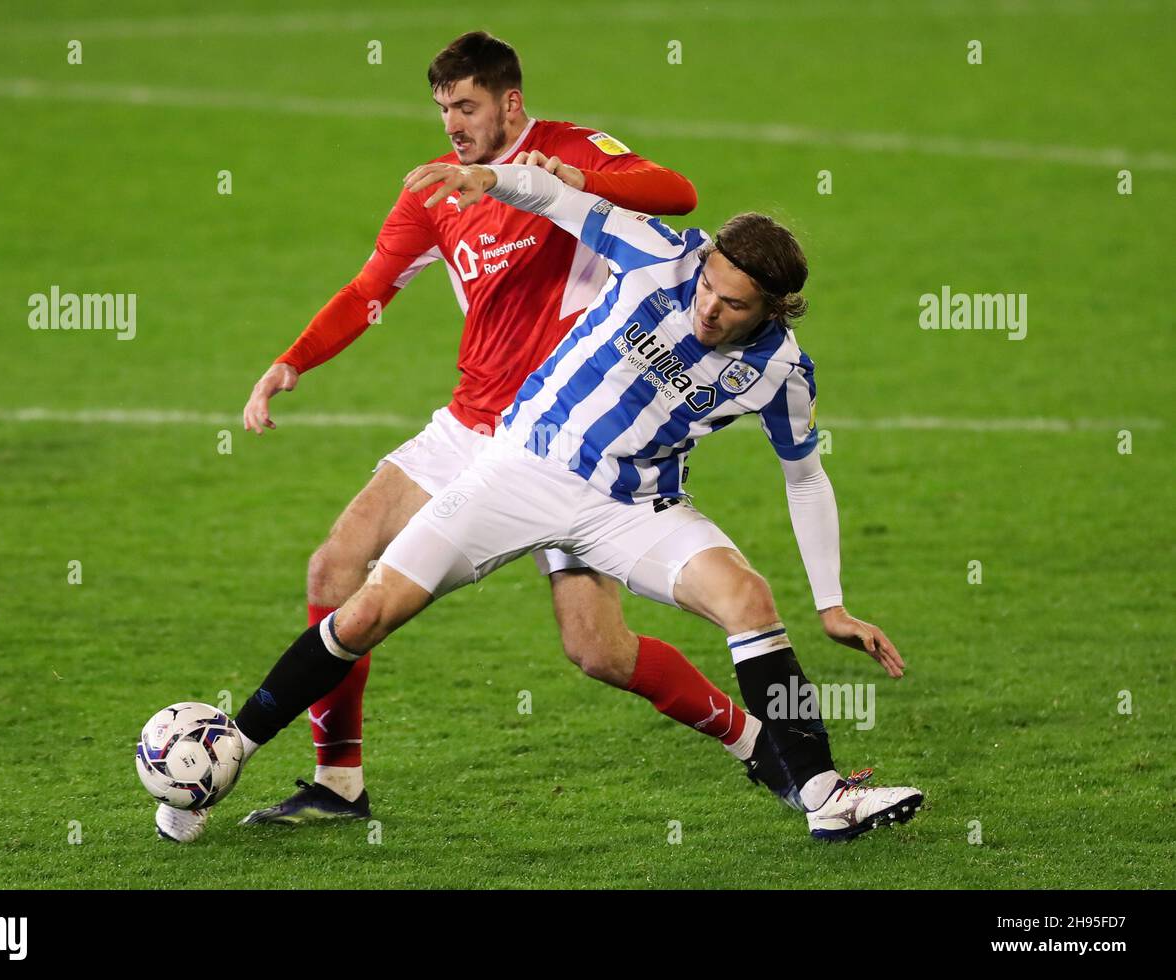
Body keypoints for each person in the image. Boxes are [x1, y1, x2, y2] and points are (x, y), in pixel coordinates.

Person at [211, 161, 925, 844]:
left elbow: (803, 475)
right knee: (365, 612)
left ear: (772, 308)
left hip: (633, 505)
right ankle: (231, 747)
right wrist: (487, 180)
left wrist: (830, 604)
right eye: (709, 286)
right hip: (523, 468)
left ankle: (825, 795)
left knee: (746, 596)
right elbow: (556, 199)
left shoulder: (781, 371)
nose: (709, 307)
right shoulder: (655, 252)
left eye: (733, 304)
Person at [192, 31, 753, 839]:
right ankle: (337, 782)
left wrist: (577, 181)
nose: (452, 124)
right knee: (337, 561)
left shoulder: (569, 150)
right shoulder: (435, 191)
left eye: (467, 106)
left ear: (510, 103)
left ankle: (758, 743)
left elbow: (677, 191)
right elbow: (368, 289)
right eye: (442, 108)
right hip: (469, 423)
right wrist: (293, 361)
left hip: (567, 442)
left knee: (598, 650)